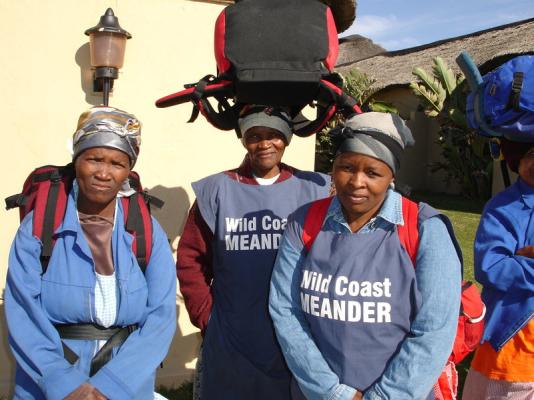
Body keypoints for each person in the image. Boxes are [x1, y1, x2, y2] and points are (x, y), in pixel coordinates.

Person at [269, 112, 462, 400]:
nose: (357, 182)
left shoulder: (424, 230)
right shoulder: (304, 222)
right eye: (347, 167)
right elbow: (285, 310)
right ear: (333, 168)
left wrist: (383, 397)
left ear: (391, 177)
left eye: (373, 173)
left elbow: (434, 330)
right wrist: (333, 393)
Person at [5, 107, 177, 400]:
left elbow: (160, 316)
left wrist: (111, 387)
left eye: (117, 163)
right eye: (94, 159)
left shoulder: (145, 230)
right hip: (49, 387)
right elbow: (22, 312)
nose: (103, 172)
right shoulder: (41, 227)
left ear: (128, 170)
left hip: (126, 384)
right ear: (77, 160)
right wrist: (64, 384)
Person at [176, 105, 331, 400]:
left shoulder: (313, 190)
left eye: (273, 135)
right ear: (244, 139)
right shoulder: (217, 190)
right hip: (233, 329)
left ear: (286, 139)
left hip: (297, 330)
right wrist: (207, 315)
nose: (264, 144)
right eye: (254, 135)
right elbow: (190, 260)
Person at [463, 139, 534, 399]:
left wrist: (523, 258)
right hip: (510, 347)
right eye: (532, 154)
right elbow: (492, 266)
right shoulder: (503, 207)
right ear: (518, 160)